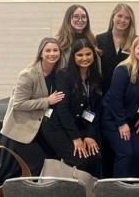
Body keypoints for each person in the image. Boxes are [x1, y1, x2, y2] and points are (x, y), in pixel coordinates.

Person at [0, 37, 65, 175]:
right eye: (48, 50)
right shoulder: (28, 74)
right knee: (36, 166)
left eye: (55, 50)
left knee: (54, 161)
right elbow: (18, 104)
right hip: (23, 128)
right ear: (41, 53)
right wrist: (47, 101)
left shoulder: (58, 73)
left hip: (43, 127)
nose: (52, 53)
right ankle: (33, 195)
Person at [41, 39, 102, 177]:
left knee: (96, 157)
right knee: (80, 161)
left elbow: (94, 109)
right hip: (57, 126)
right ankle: (74, 194)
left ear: (93, 55)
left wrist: (89, 136)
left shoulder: (95, 77)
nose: (84, 58)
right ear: (73, 57)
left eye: (88, 54)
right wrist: (76, 138)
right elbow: (62, 110)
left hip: (78, 126)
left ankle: (92, 192)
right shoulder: (64, 75)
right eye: (80, 55)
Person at [101, 36, 139, 178]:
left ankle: (130, 187)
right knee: (126, 152)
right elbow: (115, 99)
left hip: (133, 119)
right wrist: (121, 124)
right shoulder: (122, 69)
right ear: (133, 50)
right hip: (113, 120)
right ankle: (119, 189)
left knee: (137, 152)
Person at [97, 3, 136, 94]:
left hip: (127, 91)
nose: (123, 20)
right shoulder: (100, 39)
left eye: (127, 18)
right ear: (113, 17)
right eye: (120, 16)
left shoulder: (135, 41)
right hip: (104, 90)